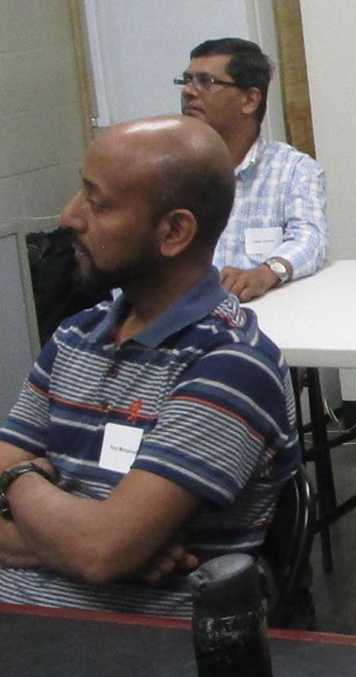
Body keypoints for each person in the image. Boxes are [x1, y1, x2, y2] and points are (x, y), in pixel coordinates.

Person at [0, 116, 300, 616]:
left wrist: (18, 481)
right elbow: (100, 552)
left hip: (134, 654)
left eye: (97, 204)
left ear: (174, 231)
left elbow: (102, 550)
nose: (70, 217)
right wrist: (81, 546)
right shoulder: (77, 333)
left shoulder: (231, 364)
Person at [180, 37, 328, 301]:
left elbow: (310, 240)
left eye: (205, 82)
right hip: (180, 321)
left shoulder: (293, 170)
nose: (189, 91)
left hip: (258, 318)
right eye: (187, 80)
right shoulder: (169, 171)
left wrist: (265, 273)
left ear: (249, 100)